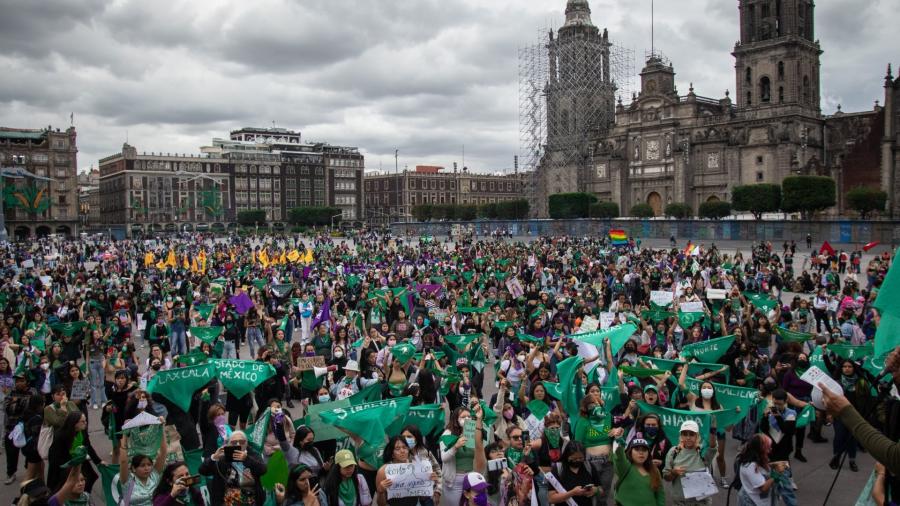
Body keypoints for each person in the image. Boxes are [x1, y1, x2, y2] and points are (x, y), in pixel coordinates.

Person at [199, 430, 268, 505]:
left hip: (251, 499)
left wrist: (247, 459)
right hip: (226, 501)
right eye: (234, 442)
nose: (238, 444)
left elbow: (263, 470)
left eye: (241, 442)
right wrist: (214, 457)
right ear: (228, 444)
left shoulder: (252, 454)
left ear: (246, 443)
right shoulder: (223, 457)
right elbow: (203, 471)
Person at [663, 420, 718, 506]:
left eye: (691, 434)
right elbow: (666, 477)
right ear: (681, 436)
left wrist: (713, 429)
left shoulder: (702, 451)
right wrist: (673, 472)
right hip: (680, 502)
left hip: (701, 503)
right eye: (685, 434)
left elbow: (713, 446)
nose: (688, 437)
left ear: (697, 436)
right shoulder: (673, 452)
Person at [46, 411, 102, 494]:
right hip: (65, 464)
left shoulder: (82, 432)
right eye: (82, 421)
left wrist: (99, 461)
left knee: (91, 477)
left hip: (78, 460)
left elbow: (88, 446)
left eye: (85, 420)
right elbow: (54, 457)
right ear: (74, 423)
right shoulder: (61, 435)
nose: (85, 423)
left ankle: (84, 495)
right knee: (67, 485)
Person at [117, 420, 170, 506]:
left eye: (149, 465)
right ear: (133, 468)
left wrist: (161, 428)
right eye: (142, 465)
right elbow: (123, 461)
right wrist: (125, 434)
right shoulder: (127, 481)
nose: (147, 468)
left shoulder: (154, 475)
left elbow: (163, 452)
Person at [375, 436, 437, 506]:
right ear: (392, 454)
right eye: (397, 449)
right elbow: (381, 504)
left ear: (408, 450)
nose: (402, 451)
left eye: (404, 447)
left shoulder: (417, 467)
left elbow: (423, 498)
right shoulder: (383, 471)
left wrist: (429, 484)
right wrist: (380, 491)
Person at [612, 433, 665, 506]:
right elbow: (619, 458)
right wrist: (620, 445)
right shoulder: (625, 467)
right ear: (630, 452)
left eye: (644, 450)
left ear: (648, 453)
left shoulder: (655, 470)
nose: (641, 453)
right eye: (637, 449)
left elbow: (660, 495)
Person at [547, 441, 601, 506]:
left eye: (581, 458)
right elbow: (551, 498)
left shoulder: (589, 466)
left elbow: (601, 489)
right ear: (567, 456)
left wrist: (595, 490)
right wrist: (572, 493)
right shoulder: (558, 469)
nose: (578, 460)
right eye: (574, 458)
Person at [735, 433, 783, 506]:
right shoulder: (750, 466)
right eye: (768, 447)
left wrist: (772, 466)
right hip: (752, 501)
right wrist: (776, 474)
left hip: (761, 500)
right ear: (760, 449)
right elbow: (763, 488)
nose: (770, 450)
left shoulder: (757, 459)